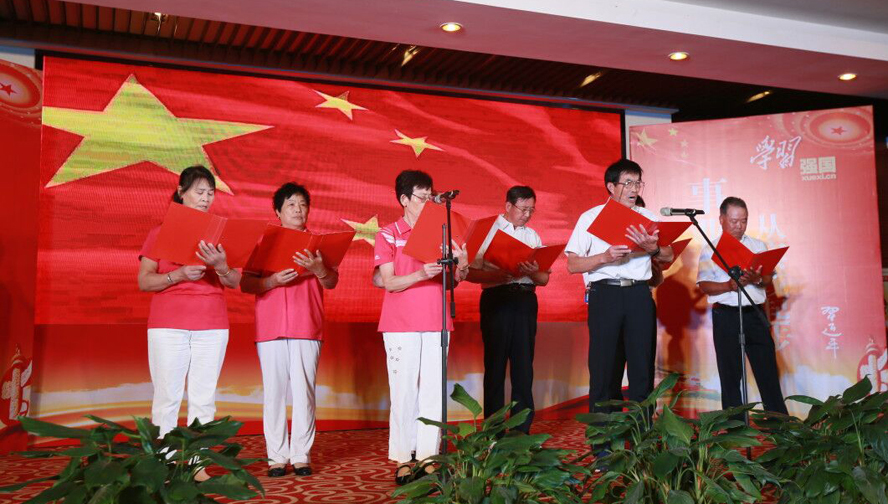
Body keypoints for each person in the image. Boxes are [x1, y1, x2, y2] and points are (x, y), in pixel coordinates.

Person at [137, 165, 241, 481]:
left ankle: (197, 464)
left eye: (210, 193)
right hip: (168, 324)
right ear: (181, 193)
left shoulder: (220, 235)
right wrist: (178, 275)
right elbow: (145, 281)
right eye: (199, 191)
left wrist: (221, 265)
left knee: (203, 398)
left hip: (212, 323)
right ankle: (164, 465)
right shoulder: (160, 231)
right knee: (167, 396)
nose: (206, 198)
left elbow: (234, 281)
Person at [374, 170, 469, 485]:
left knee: (433, 391)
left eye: (431, 197)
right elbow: (389, 282)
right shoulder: (389, 233)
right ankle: (404, 458)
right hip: (400, 323)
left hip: (436, 320)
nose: (428, 203)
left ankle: (429, 457)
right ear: (404, 199)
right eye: (422, 197)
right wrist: (420, 274)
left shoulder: (442, 233)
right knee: (403, 391)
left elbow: (454, 281)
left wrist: (462, 263)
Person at [240, 183, 339, 478]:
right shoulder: (264, 243)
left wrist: (319, 269)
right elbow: (246, 283)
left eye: (303, 204)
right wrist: (272, 282)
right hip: (270, 327)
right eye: (291, 205)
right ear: (278, 212)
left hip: (307, 324)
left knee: (304, 392)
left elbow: (331, 282)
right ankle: (276, 457)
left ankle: (301, 455)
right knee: (273, 393)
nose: (298, 210)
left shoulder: (318, 245)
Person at [565, 159, 673, 416]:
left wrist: (653, 249)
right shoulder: (590, 217)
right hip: (605, 294)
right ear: (611, 186)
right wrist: (604, 257)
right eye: (628, 183)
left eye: (638, 183)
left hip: (639, 294)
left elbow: (668, 255)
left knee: (642, 365)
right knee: (603, 367)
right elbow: (572, 264)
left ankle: (642, 434)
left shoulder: (648, 218)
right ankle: (603, 436)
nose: (634, 189)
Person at [467, 185, 549, 434]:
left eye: (531, 210)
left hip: (525, 300)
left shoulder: (533, 236)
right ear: (508, 206)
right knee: (495, 365)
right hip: (497, 299)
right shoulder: (486, 230)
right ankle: (493, 430)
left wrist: (531, 272)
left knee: (524, 366)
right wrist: (498, 274)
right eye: (523, 209)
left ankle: (521, 430)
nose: (527, 215)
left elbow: (544, 279)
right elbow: (468, 272)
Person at [696, 197, 787, 415]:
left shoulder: (758, 246)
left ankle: (779, 424)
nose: (739, 226)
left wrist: (757, 278)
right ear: (721, 219)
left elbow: (767, 280)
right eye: (734, 221)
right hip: (726, 315)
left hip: (754, 314)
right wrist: (728, 285)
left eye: (743, 221)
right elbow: (704, 285)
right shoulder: (710, 248)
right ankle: (735, 426)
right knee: (730, 374)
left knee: (767, 371)